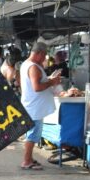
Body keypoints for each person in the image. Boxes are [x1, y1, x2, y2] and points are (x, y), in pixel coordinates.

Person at [20, 42, 60, 170]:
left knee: (32, 134)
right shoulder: (33, 67)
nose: (44, 58)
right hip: (34, 107)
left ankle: (29, 158)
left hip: (33, 105)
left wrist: (48, 79)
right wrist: (51, 82)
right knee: (32, 135)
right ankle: (26, 161)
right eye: (44, 55)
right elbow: (36, 87)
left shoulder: (27, 64)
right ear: (39, 53)